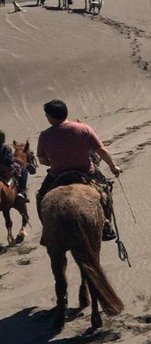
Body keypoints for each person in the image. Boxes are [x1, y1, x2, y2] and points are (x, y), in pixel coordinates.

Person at [36, 99, 121, 241]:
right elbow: (100, 150)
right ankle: (106, 224)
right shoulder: (83, 128)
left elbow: (42, 160)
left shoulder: (45, 135)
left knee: (40, 197)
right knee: (105, 190)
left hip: (58, 175)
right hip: (86, 172)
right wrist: (113, 167)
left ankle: (47, 231)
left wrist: (54, 161)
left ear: (50, 116)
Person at [0, 130, 29, 202]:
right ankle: (21, 191)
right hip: (4, 168)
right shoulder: (5, 147)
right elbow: (10, 159)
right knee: (24, 171)